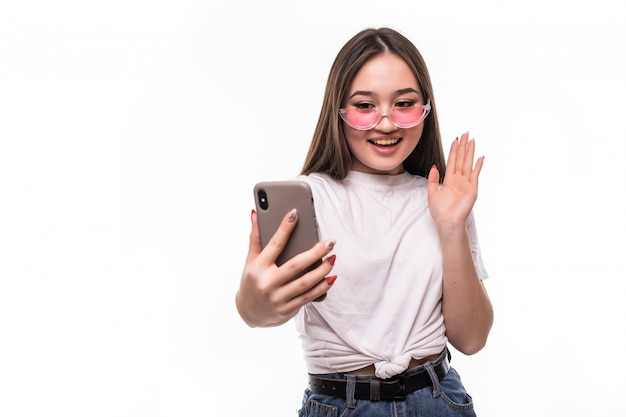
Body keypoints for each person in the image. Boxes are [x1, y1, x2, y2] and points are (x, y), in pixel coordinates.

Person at [236, 27, 493, 416]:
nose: (386, 124)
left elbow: (471, 339)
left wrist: (452, 227)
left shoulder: (443, 197)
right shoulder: (310, 198)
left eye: (404, 103)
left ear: (425, 108)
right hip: (342, 404)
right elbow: (259, 311)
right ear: (338, 111)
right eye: (365, 106)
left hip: (438, 399)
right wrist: (252, 303)